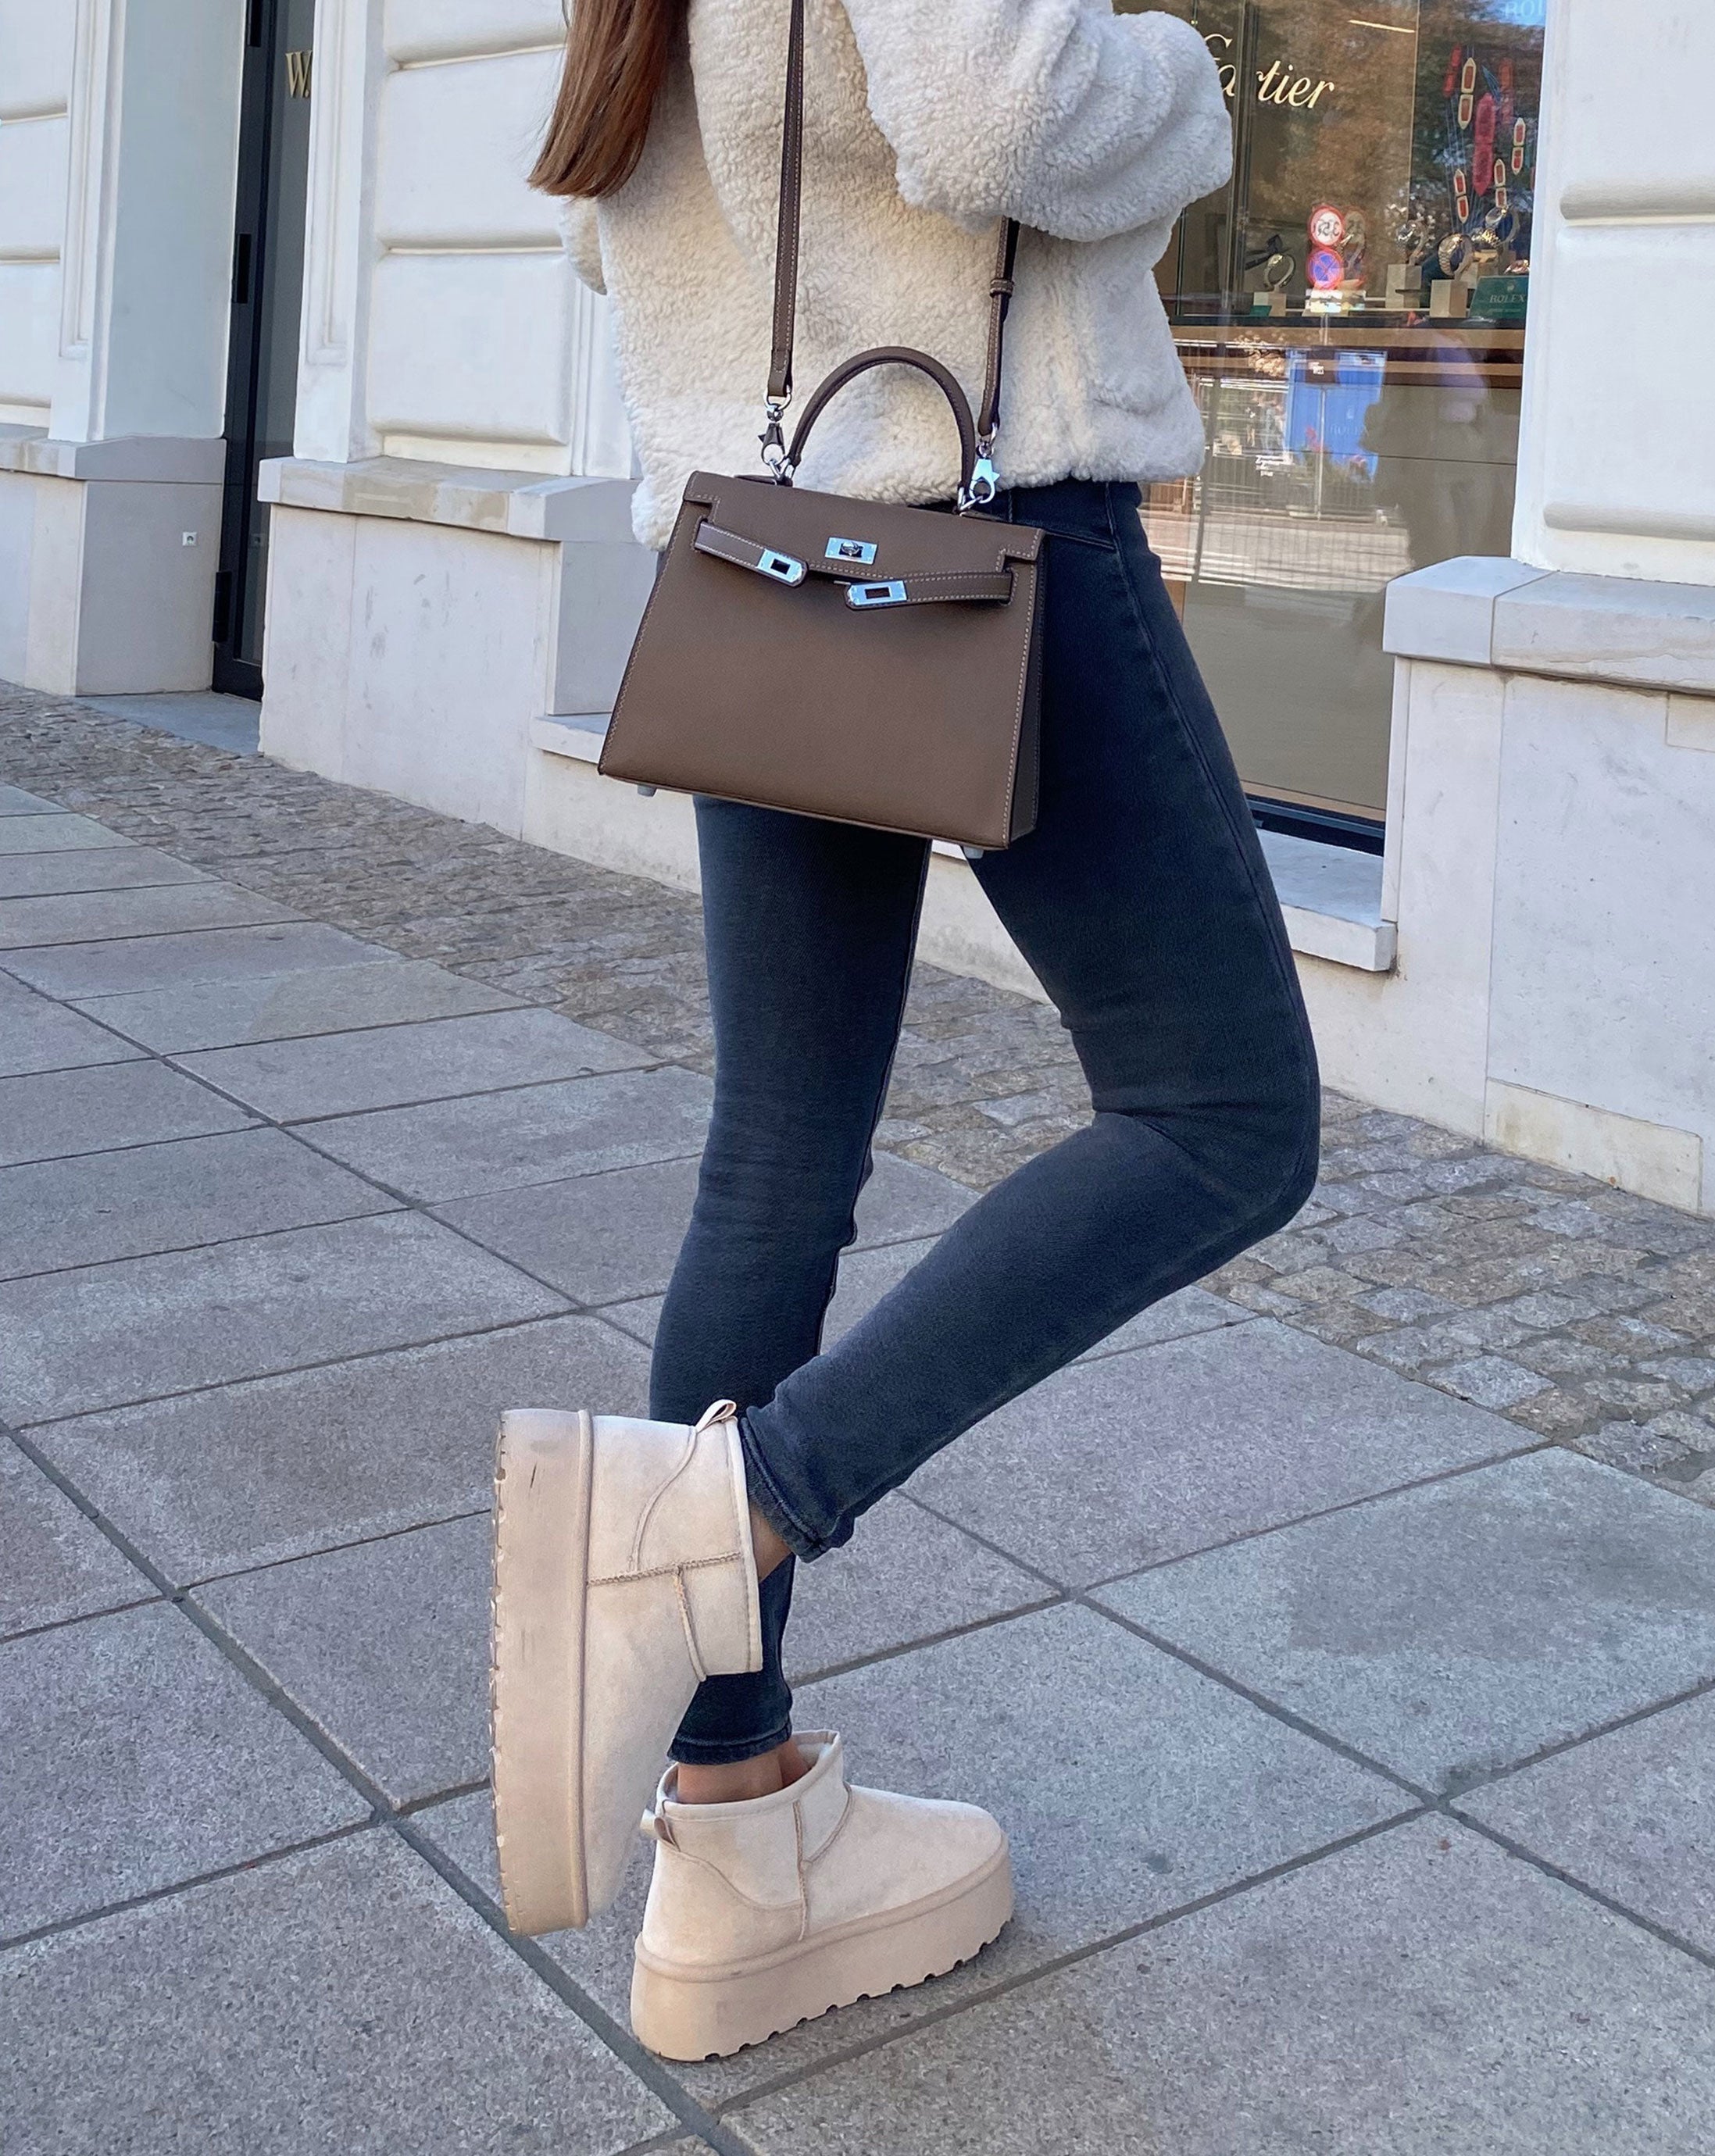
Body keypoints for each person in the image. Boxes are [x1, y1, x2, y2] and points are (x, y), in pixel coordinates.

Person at [488, 0, 1320, 2063]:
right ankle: (729, 1511)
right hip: (981, 511)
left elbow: (634, 211)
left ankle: (734, 1822)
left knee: (775, 1163)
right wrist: (1196, 80)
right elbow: (997, 109)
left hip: (761, 524)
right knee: (1224, 1115)